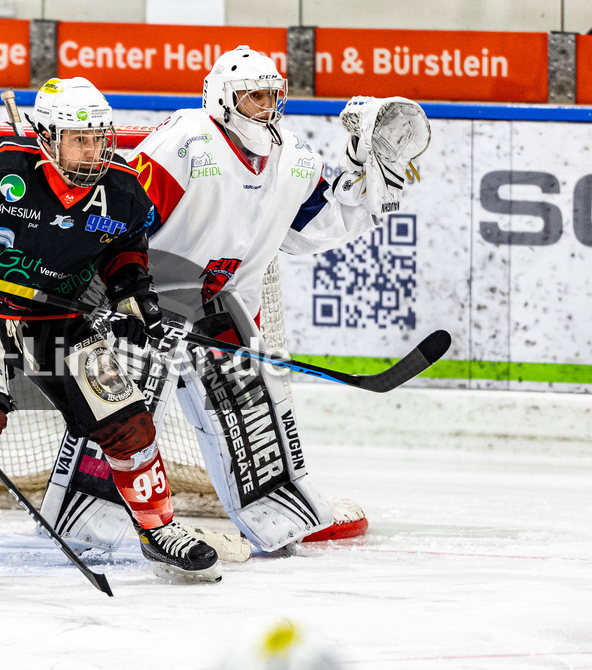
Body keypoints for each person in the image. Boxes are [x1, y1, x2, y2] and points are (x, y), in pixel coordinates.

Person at [39, 46, 428, 556]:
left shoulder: (294, 155)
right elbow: (124, 213)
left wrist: (366, 175)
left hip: (224, 303)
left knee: (251, 413)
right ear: (223, 99)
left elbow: (310, 230)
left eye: (273, 95)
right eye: (253, 96)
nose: (266, 107)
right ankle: (85, 520)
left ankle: (281, 515)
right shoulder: (187, 140)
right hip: (146, 299)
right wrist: (99, 290)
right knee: (120, 414)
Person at [0, 76, 221, 585]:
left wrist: (134, 292)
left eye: (99, 138)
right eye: (79, 139)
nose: (93, 151)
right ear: (46, 137)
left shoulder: (123, 190)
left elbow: (123, 248)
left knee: (127, 421)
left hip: (59, 315)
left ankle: (158, 527)